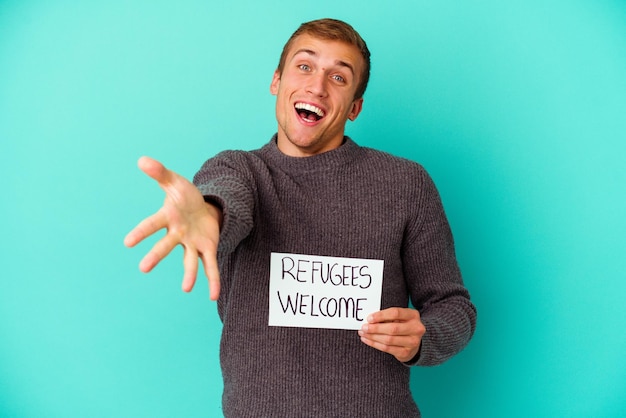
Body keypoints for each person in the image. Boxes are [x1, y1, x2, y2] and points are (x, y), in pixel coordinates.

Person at [125, 18, 476, 417]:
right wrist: (209, 214)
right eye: (304, 66)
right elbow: (228, 200)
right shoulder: (240, 170)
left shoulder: (406, 183)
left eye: (339, 77)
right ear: (276, 81)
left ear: (355, 108)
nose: (317, 86)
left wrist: (423, 337)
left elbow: (453, 307)